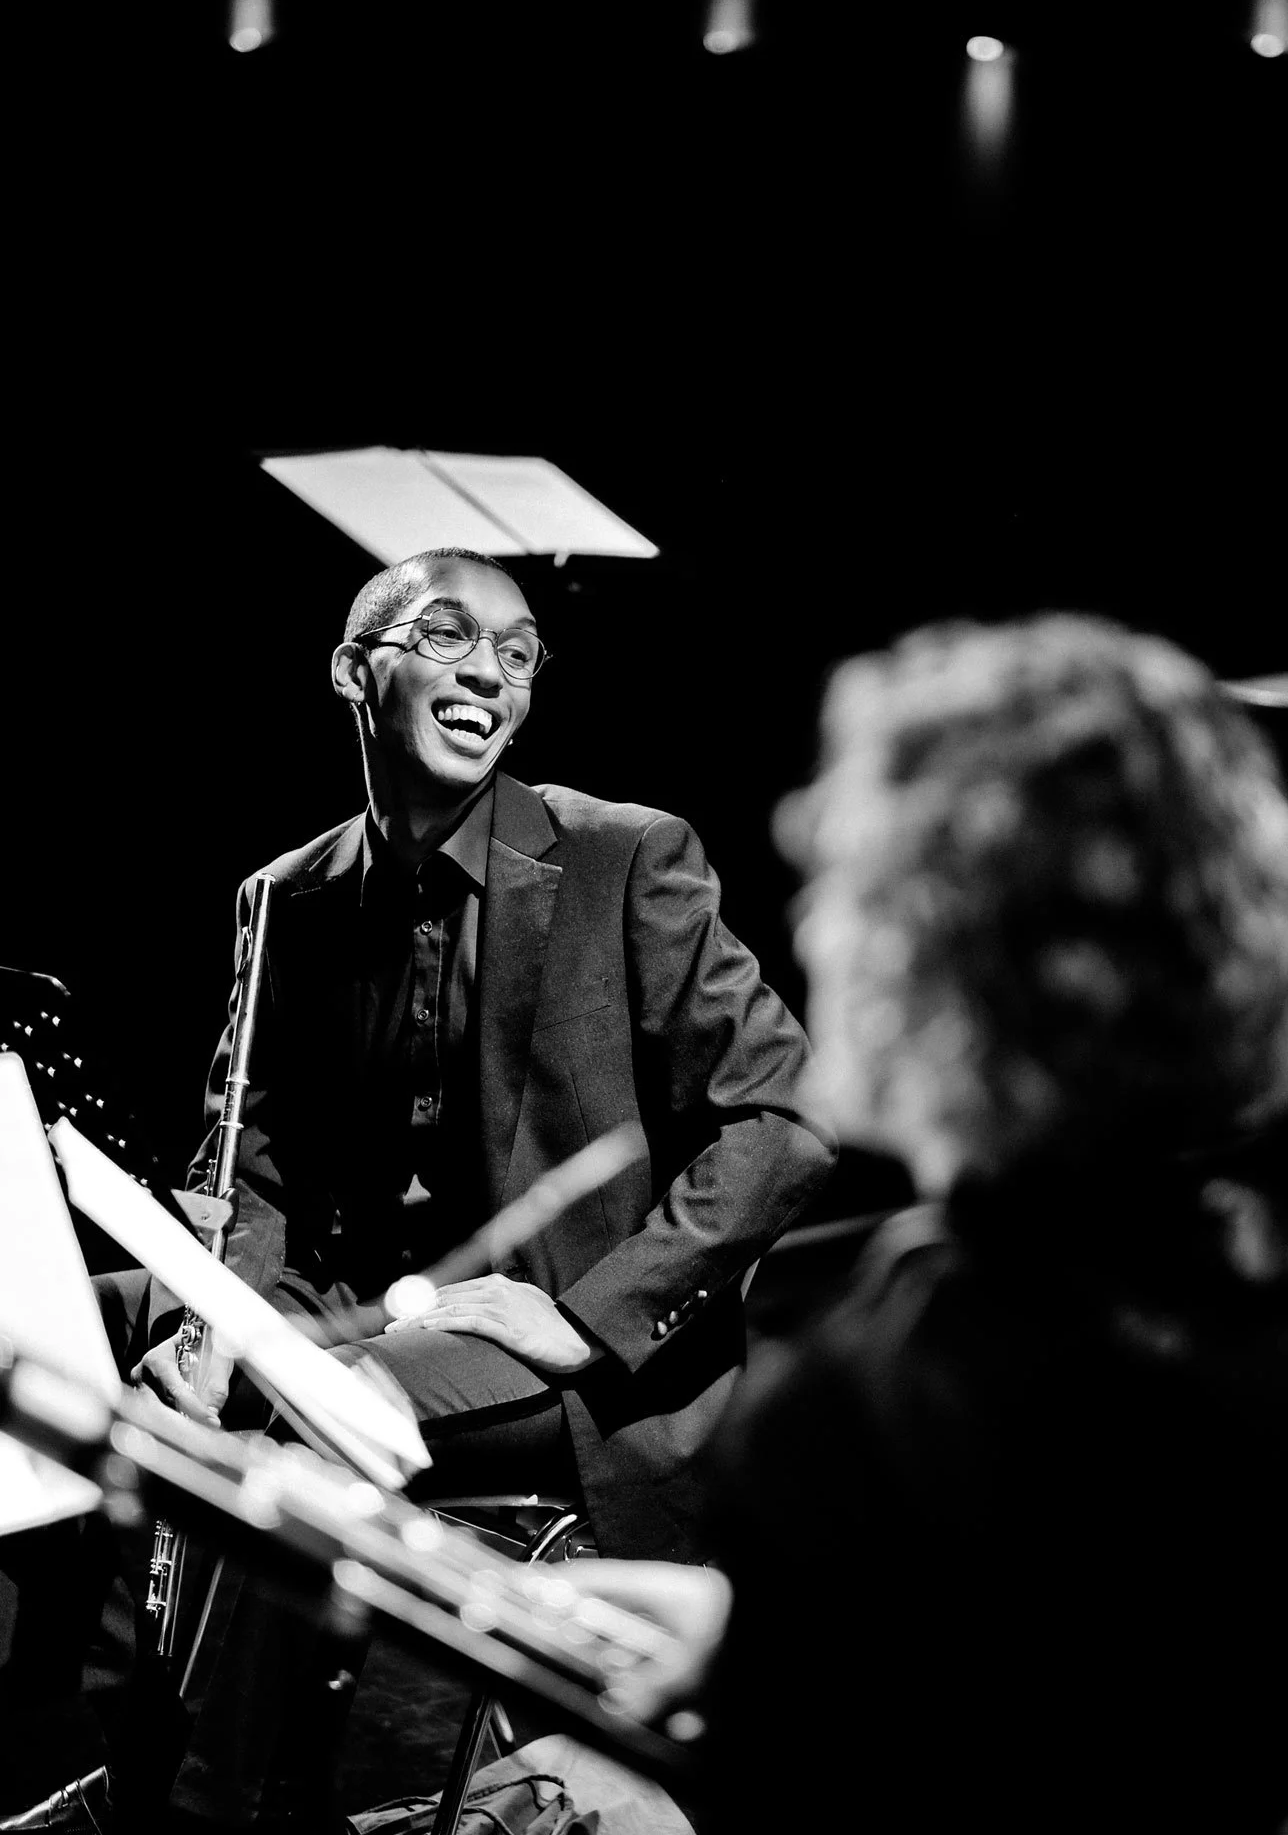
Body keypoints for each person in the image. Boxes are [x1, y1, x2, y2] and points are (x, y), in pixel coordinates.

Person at [127, 546, 834, 1831]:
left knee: (315, 1423)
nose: (490, 675)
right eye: (449, 636)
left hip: (558, 1355)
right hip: (355, 1308)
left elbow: (785, 1116)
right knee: (90, 1326)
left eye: (517, 654)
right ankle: (99, 1726)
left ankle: (202, 1809)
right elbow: (248, 1169)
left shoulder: (624, 855)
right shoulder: (282, 899)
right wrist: (206, 1320)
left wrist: (589, 1318)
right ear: (355, 671)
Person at [558, 614, 1288, 1834]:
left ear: (927, 946)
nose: (815, 924)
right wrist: (768, 1625)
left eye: (848, 886)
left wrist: (766, 1674)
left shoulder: (875, 1402)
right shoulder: (1238, 1279)